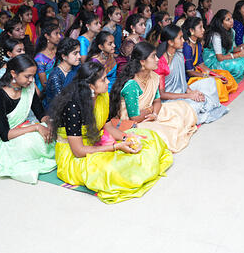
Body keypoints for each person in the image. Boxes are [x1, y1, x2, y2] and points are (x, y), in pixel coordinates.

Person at [49, 61, 172, 204]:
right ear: (91, 86)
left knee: (149, 138)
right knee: (111, 169)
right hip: (74, 154)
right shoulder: (73, 106)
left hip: (96, 140)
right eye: (103, 79)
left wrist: (127, 137)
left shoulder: (102, 96)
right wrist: (116, 147)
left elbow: (108, 127)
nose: (108, 81)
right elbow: (78, 151)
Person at [110, 42, 197, 153]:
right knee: (164, 132)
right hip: (135, 123)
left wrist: (154, 114)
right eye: (153, 56)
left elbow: (157, 101)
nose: (157, 59)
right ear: (142, 62)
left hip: (148, 114)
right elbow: (135, 118)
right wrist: (151, 111)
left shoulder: (153, 76)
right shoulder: (131, 85)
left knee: (183, 107)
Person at [0, 54, 56, 184]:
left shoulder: (29, 87)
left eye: (33, 76)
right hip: (1, 140)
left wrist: (48, 124)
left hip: (22, 128)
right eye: (28, 76)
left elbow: (40, 113)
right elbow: (5, 135)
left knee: (51, 133)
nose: (32, 80)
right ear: (14, 73)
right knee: (31, 142)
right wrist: (37, 127)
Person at [156, 25, 228, 124]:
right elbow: (162, 94)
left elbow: (182, 82)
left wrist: (191, 92)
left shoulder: (180, 54)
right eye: (180, 38)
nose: (184, 41)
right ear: (170, 42)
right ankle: (202, 108)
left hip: (183, 93)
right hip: (169, 100)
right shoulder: (161, 63)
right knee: (193, 106)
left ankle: (201, 106)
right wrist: (189, 96)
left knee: (210, 82)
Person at [182, 16, 238, 102]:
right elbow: (189, 72)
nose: (203, 30)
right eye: (200, 27)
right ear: (191, 31)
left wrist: (214, 74)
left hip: (198, 72)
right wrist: (208, 76)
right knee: (217, 82)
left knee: (225, 74)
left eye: (203, 27)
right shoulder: (186, 47)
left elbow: (202, 65)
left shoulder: (198, 44)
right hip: (189, 79)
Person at [203, 9, 244, 81]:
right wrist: (238, 55)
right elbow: (220, 58)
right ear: (221, 23)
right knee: (236, 65)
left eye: (231, 18)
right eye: (228, 20)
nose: (232, 21)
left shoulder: (231, 31)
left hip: (226, 56)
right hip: (214, 61)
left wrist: (243, 49)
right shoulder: (216, 35)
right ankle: (233, 73)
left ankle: (238, 70)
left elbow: (233, 48)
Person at [44, 37, 80, 108]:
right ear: (64, 56)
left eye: (79, 52)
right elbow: (60, 102)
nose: (79, 56)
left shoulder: (77, 68)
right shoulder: (56, 76)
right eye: (75, 53)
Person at [34, 24, 61, 93]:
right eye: (56, 34)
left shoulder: (59, 50)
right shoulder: (39, 58)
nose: (59, 36)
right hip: (47, 91)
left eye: (59, 33)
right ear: (47, 36)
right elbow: (44, 83)